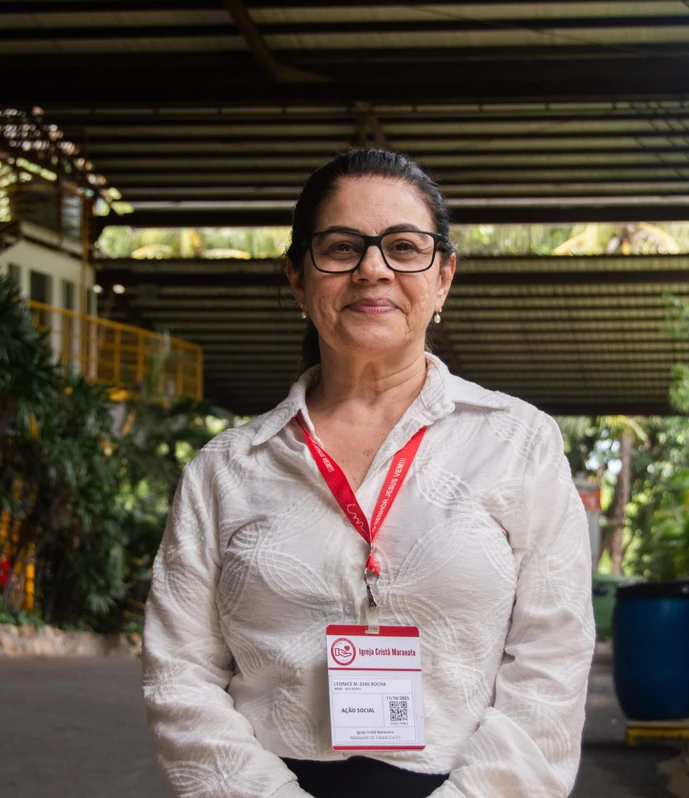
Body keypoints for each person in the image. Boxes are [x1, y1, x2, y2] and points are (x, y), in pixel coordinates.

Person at [143, 149, 594, 798]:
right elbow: (178, 675)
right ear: (298, 279)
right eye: (342, 247)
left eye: (404, 247)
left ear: (443, 278)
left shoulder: (518, 444)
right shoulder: (224, 472)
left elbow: (554, 659)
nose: (373, 269)